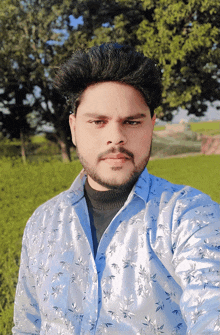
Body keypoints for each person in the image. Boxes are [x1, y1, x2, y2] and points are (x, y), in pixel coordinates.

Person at [13, 43, 220, 335]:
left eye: (132, 122)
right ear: (73, 128)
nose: (116, 137)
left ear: (151, 127)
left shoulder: (189, 217)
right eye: (98, 122)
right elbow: (27, 325)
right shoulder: (42, 224)